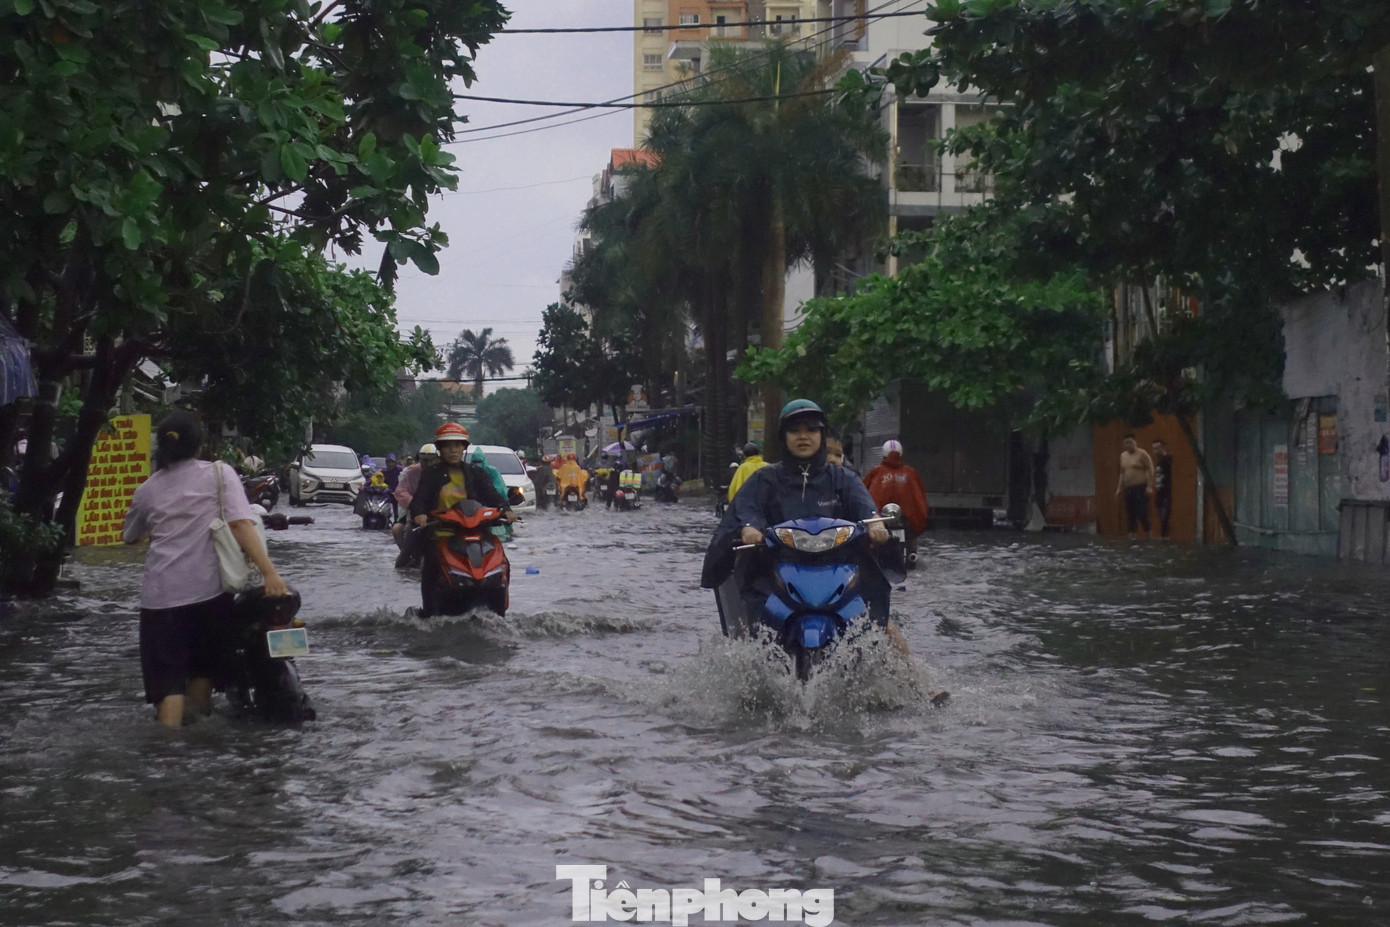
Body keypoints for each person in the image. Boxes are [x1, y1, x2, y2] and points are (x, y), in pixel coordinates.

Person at [122, 411, 289, 728]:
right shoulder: (219, 474)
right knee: (202, 671)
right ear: (198, 445)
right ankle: (199, 748)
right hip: (210, 594)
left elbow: (130, 535)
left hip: (161, 599)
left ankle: (168, 752)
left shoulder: (148, 489)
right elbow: (241, 524)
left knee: (168, 683)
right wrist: (270, 573)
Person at [702, 399, 896, 630]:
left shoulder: (843, 478)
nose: (803, 436)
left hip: (838, 570)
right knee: (752, 627)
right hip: (775, 572)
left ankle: (897, 663)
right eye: (794, 430)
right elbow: (745, 509)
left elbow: (865, 506)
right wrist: (749, 528)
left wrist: (875, 524)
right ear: (783, 436)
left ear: (822, 436)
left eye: (811, 430)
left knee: (882, 630)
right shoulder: (765, 479)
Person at [409, 423, 516, 615]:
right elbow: (420, 499)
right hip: (442, 534)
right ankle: (429, 612)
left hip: (477, 532)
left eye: (458, 445)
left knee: (502, 562)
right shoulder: (431, 475)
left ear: (464, 448)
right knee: (432, 563)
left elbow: (493, 496)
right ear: (440, 449)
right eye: (448, 445)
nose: (453, 450)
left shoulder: (477, 474)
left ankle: (500, 607)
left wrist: (506, 510)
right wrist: (420, 514)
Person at [863, 440, 930, 565]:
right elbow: (920, 496)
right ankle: (912, 553)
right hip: (906, 516)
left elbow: (862, 491)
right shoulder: (910, 472)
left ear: (883, 453)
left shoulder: (876, 471)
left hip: (881, 515)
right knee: (911, 535)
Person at [392, 443, 437, 555]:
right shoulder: (412, 473)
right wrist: (415, 505)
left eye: (432, 460)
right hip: (415, 516)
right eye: (425, 460)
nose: (428, 463)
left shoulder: (445, 472)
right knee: (398, 530)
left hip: (441, 515)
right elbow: (400, 491)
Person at [1115, 434, 1155, 539]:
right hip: (1129, 488)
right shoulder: (1123, 456)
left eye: (1130, 442)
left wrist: (1149, 486)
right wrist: (1119, 488)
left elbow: (1150, 469)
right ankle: (1132, 537)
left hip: (1141, 487)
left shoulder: (1142, 454)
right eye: (1126, 443)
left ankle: (1148, 536)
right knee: (1130, 514)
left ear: (1135, 442)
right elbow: (1122, 473)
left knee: (1143, 513)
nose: (1128, 445)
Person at [1151, 439, 1173, 539]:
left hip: (1166, 493)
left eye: (1157, 448)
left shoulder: (1167, 459)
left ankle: (1166, 537)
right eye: (1153, 449)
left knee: (1164, 517)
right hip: (1160, 492)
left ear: (1163, 448)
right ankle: (1164, 536)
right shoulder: (1159, 462)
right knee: (1161, 517)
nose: (1155, 451)